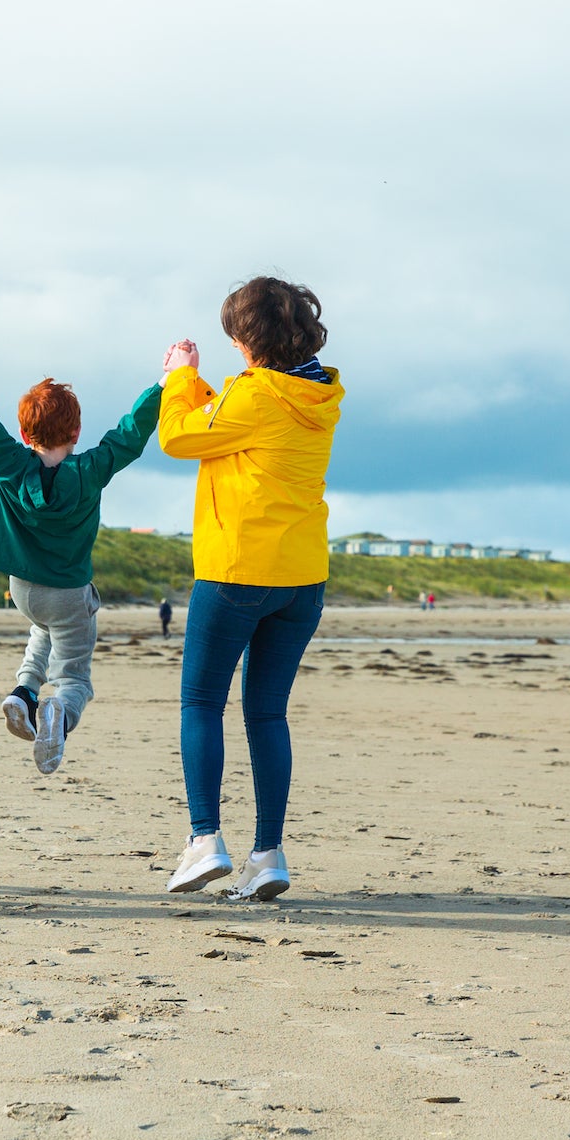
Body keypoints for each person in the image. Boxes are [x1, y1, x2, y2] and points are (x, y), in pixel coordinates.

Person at [157, 277, 342, 903]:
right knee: (266, 712)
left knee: (202, 703)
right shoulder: (319, 392)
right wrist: (203, 389)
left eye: (236, 336)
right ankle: (269, 854)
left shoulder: (256, 394)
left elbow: (181, 436)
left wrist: (179, 378)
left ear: (250, 339)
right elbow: (227, 425)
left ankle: (205, 839)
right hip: (302, 578)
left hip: (237, 571)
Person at [0, 368, 160, 773]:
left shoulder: (10, 464)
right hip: (67, 592)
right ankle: (57, 713)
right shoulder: (89, 471)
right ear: (76, 432)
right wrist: (164, 385)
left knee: (41, 631)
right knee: (75, 679)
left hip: (24, 590)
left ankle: (24, 693)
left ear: (25, 436)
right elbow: (129, 436)